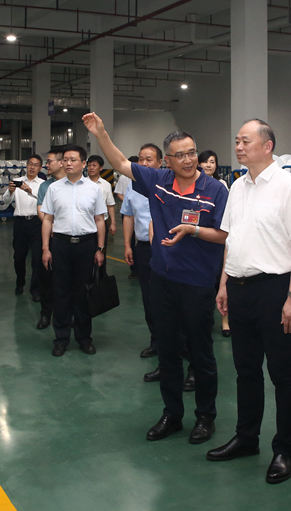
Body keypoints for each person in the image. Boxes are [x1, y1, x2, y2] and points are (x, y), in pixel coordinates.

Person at [83, 111, 228, 446]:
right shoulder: (158, 180)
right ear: (168, 161)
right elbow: (120, 163)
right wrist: (101, 133)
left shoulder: (215, 190)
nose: (189, 160)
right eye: (181, 155)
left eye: (192, 153)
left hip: (197, 284)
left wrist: (193, 230)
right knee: (168, 350)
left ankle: (205, 416)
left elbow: (225, 235)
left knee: (201, 353)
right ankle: (172, 414)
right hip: (163, 280)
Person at [209, 120, 291, 485]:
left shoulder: (287, 186)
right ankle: (247, 437)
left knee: (282, 372)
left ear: (267, 146)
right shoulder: (237, 186)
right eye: (236, 141)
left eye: (245, 141)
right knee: (246, 369)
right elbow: (232, 239)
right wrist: (224, 284)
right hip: (239, 287)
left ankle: (285, 449)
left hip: (274, 289)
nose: (238, 146)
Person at [40, 145, 107, 357]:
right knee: (61, 292)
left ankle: (84, 338)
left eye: (73, 159)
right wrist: (45, 248)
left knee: (83, 293)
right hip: (61, 244)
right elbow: (47, 219)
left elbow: (100, 220)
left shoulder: (94, 189)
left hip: (87, 245)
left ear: (83, 163)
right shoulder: (54, 188)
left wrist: (100, 248)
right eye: (65, 160)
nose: (68, 163)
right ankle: (61, 339)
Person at [121, 145, 163, 366]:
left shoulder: (167, 184)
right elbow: (128, 215)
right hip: (144, 248)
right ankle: (156, 341)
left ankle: (180, 344)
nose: (144, 163)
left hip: (167, 248)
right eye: (141, 159)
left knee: (170, 298)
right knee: (148, 297)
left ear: (160, 163)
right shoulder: (133, 185)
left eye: (149, 159)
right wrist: (128, 245)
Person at [3, 155, 46, 299]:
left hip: (37, 222)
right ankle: (20, 282)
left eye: (36, 165)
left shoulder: (43, 184)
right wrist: (10, 192)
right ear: (26, 165)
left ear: (40, 168)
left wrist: (30, 191)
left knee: (37, 257)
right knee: (19, 256)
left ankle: (36, 289)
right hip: (20, 223)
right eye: (30, 164)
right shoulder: (18, 181)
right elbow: (5, 201)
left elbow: (46, 202)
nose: (32, 167)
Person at [199, 150, 231, 338]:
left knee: (220, 281)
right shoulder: (195, 185)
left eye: (212, 162)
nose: (209, 165)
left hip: (219, 240)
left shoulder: (222, 186)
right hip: (200, 241)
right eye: (205, 161)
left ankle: (225, 321)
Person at [34, 148, 66, 330]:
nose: (46, 165)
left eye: (49, 161)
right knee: (47, 276)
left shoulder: (74, 184)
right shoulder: (46, 186)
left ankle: (69, 314)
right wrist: (52, 226)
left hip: (67, 237)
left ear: (61, 163)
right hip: (50, 235)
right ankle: (46, 313)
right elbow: (41, 209)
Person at [115, 155, 139, 278]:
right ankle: (134, 269)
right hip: (128, 212)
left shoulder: (144, 177)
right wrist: (128, 203)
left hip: (140, 213)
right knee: (130, 240)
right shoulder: (124, 177)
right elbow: (118, 193)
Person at [87, 154, 117, 237]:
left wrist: (113, 223)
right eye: (89, 165)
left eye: (94, 165)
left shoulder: (106, 185)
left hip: (102, 222)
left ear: (100, 168)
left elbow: (110, 205)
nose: (91, 168)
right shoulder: (81, 183)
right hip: (86, 222)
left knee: (102, 244)